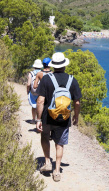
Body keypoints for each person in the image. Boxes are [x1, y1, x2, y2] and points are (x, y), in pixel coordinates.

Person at [36, 52, 81, 182]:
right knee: (59, 143)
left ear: (54, 65)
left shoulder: (46, 79)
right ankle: (57, 171)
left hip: (47, 117)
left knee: (44, 137)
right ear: (64, 65)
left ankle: (47, 161)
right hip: (64, 118)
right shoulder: (72, 80)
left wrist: (38, 119)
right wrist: (76, 116)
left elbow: (40, 101)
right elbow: (77, 102)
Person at [27, 59, 43, 124]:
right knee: (40, 105)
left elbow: (28, 84)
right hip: (41, 92)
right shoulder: (42, 73)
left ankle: (33, 119)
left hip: (33, 91)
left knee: (34, 106)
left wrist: (28, 90)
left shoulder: (31, 73)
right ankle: (39, 119)